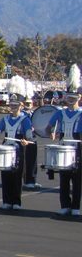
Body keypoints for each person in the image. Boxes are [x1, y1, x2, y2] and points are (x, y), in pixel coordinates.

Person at [0, 80, 33, 210]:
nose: (13, 107)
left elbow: (29, 136)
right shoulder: (6, 119)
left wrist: (26, 141)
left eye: (16, 105)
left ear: (21, 106)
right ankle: (7, 200)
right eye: (11, 104)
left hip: (18, 150)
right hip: (7, 148)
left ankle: (16, 202)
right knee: (6, 175)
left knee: (16, 177)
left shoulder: (25, 120)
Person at [46, 66, 82, 216]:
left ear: (79, 98)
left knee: (77, 180)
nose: (70, 101)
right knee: (64, 179)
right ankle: (65, 205)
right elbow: (49, 127)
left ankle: (75, 207)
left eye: (73, 98)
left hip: (78, 148)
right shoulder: (60, 113)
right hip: (64, 146)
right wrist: (51, 134)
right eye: (69, 98)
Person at [22, 96, 40, 189]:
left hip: (33, 138)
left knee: (34, 160)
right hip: (26, 138)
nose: (29, 105)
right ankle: (27, 180)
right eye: (27, 103)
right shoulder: (23, 115)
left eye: (30, 103)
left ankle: (33, 179)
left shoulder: (34, 114)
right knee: (27, 160)